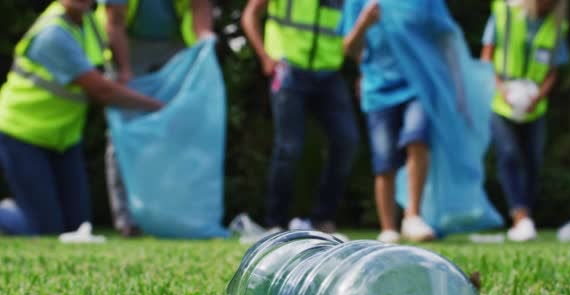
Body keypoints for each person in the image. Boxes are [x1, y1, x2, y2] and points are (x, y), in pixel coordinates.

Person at [0, 0, 162, 235]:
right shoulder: (52, 35)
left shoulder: (89, 23)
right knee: (47, 230)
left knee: (78, 227)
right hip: (22, 134)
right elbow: (102, 90)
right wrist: (157, 106)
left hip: (64, 137)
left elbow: (114, 28)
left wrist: (125, 71)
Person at [97, 0, 215, 236]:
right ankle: (127, 220)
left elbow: (200, 6)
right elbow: (115, 22)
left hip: (174, 46)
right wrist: (125, 70)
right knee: (124, 132)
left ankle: (174, 215)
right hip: (126, 44)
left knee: (178, 132)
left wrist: (205, 39)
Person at [241, 0, 359, 234]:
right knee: (289, 147)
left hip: (329, 72)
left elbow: (354, 32)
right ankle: (276, 223)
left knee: (347, 140)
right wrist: (265, 56)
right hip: (288, 70)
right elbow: (250, 14)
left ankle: (322, 220)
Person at [340, 0, 435, 243]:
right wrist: (364, 22)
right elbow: (349, 48)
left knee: (417, 138)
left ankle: (412, 215)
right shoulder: (356, 2)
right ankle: (388, 228)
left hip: (418, 83)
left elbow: (439, 36)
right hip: (378, 89)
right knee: (384, 163)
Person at [481, 0, 570, 241]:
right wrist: (501, 89)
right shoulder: (504, 11)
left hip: (535, 106)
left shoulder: (557, 25)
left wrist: (537, 96)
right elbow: (486, 56)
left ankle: (526, 215)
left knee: (533, 160)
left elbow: (553, 69)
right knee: (508, 153)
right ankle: (519, 215)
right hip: (500, 102)